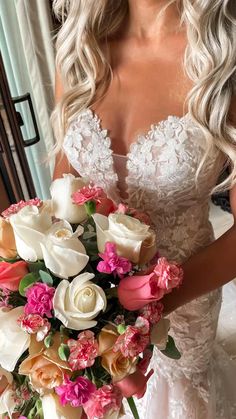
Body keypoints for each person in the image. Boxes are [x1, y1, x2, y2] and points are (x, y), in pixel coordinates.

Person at [51, 0, 236, 417]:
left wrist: (147, 308)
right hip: (86, 308)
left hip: (184, 305)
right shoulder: (80, 49)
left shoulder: (223, 59)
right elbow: (63, 196)